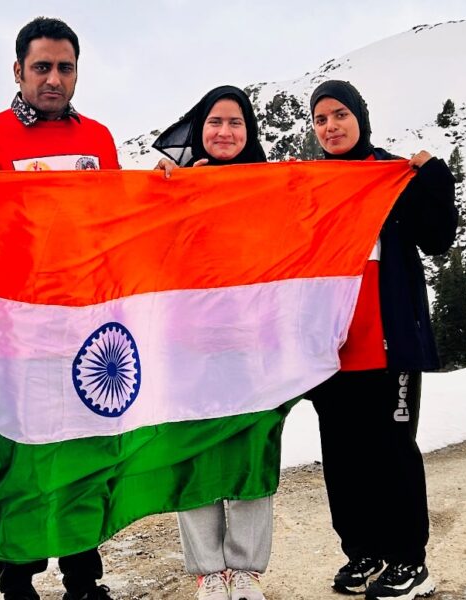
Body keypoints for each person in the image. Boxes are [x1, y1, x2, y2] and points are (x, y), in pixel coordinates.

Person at [0, 17, 119, 600]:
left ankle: (83, 579)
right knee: (18, 458)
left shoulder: (98, 140)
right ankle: (16, 581)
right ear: (18, 70)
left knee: (81, 455)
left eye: (65, 68)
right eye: (42, 67)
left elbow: (118, 222)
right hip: (12, 333)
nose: (54, 79)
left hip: (84, 328)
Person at [305, 80, 457, 600]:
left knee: (392, 451)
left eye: (340, 114)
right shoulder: (311, 184)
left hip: (388, 344)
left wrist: (434, 178)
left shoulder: (393, 174)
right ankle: (364, 552)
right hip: (332, 349)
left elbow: (437, 239)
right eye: (321, 119)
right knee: (343, 457)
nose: (331, 126)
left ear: (360, 117)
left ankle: (410, 561)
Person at [152, 85, 271, 600]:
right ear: (199, 129)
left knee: (251, 450)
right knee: (195, 451)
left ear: (249, 131)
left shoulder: (267, 186)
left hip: (252, 344)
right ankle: (208, 570)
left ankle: (245, 570)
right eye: (215, 122)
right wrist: (162, 190)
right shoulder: (173, 185)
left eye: (235, 122)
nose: (225, 132)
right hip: (189, 345)